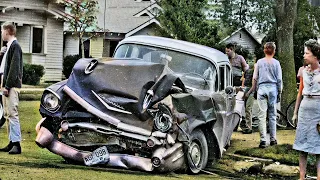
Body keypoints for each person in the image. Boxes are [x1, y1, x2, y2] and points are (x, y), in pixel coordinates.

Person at [292, 39, 320, 180]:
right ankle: (302, 177)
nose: (304, 55)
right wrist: (295, 113)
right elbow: (300, 92)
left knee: (318, 147)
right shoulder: (303, 71)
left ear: (315, 55)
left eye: (307, 53)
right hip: (304, 109)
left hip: (317, 110)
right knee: (302, 146)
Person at [252, 42, 282, 148]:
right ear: (274, 51)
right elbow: (279, 79)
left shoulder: (259, 62)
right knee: (272, 115)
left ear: (264, 50)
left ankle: (263, 140)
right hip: (273, 88)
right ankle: (273, 139)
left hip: (262, 88)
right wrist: (280, 91)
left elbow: (255, 77)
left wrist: (254, 89)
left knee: (262, 115)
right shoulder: (276, 63)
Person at [0, 22, 23, 154]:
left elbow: (14, 69)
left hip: (11, 85)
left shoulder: (15, 47)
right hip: (5, 83)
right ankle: (11, 141)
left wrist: (8, 86)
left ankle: (17, 144)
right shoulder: (8, 47)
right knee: (7, 113)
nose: (1, 33)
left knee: (12, 113)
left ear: (8, 31)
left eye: (2, 31)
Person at [240, 58, 257, 134]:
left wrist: (248, 92)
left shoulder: (255, 71)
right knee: (246, 109)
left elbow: (254, 85)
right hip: (246, 90)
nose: (250, 62)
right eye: (249, 61)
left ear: (254, 62)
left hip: (251, 91)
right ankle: (247, 125)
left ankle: (249, 127)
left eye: (252, 61)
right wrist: (242, 89)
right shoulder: (246, 71)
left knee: (248, 108)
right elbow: (243, 80)